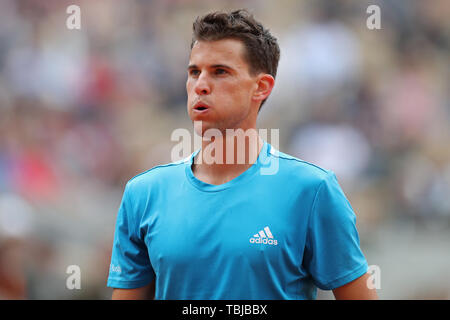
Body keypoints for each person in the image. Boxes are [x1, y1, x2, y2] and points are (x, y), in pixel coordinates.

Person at [107, 9, 378, 300]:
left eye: (220, 72)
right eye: (194, 72)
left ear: (261, 87)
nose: (200, 85)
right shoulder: (143, 194)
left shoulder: (312, 190)